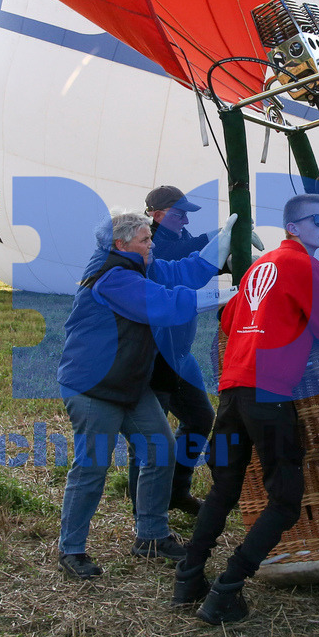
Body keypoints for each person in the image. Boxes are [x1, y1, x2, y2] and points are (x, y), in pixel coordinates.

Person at [173, 193, 319, 625]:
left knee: (223, 490)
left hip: (232, 391)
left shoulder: (259, 265)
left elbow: (229, 319)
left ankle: (188, 577)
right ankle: (227, 589)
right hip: (269, 393)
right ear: (294, 228)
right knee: (286, 501)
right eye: (318, 220)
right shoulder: (304, 266)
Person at [55, 210, 236, 578]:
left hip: (128, 382)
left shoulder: (136, 264)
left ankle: (150, 536)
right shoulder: (113, 278)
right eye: (145, 240)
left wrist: (219, 244)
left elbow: (177, 273)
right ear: (122, 244)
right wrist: (220, 296)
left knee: (160, 449)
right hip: (93, 386)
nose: (152, 245)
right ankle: (71, 549)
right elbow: (164, 304)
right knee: (92, 467)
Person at [125, 186, 214, 517]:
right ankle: (143, 512)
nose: (186, 219)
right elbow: (180, 258)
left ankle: (176, 490)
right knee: (151, 437)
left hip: (180, 352)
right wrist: (214, 240)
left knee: (200, 416)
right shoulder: (149, 245)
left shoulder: (180, 235)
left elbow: (193, 264)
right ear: (157, 215)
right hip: (157, 356)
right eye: (180, 213)